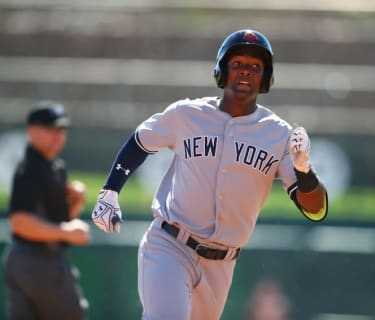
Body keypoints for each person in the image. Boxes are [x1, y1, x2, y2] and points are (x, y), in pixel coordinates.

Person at [91, 29, 328, 320]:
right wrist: (110, 191)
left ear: (265, 78)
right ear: (221, 70)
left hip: (222, 263)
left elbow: (315, 210)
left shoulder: (278, 135)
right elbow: (141, 141)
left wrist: (304, 171)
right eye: (238, 63)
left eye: (255, 67)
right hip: (170, 244)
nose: (245, 72)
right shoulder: (187, 114)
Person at [2, 102, 90, 320]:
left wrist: (75, 203)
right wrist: (67, 232)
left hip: (32, 260)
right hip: (38, 261)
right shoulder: (30, 169)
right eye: (51, 129)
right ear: (32, 131)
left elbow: (57, 219)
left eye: (61, 130)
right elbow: (20, 221)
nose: (58, 135)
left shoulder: (54, 167)